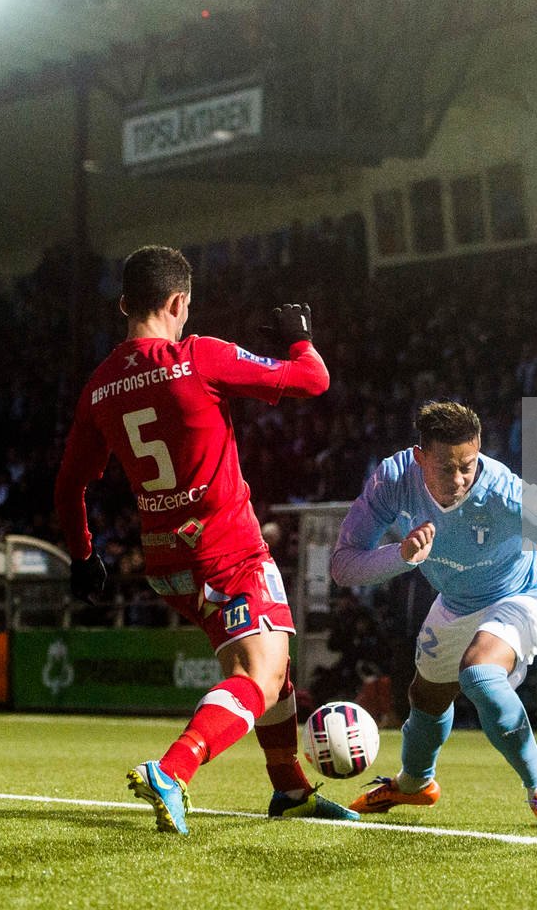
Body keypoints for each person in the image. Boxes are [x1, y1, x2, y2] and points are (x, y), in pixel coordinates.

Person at [53, 244, 357, 834]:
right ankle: (173, 770)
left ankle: (290, 790)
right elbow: (313, 380)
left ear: (123, 304)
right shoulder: (201, 357)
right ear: (178, 302)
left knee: (275, 669)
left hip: (167, 563)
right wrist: (298, 337)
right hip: (228, 553)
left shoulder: (99, 387)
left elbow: (69, 487)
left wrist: (84, 555)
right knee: (259, 675)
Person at [331, 400, 537, 831]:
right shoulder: (392, 480)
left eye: (469, 465)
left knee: (479, 673)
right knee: (426, 696)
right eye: (447, 468)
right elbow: (344, 566)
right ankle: (414, 783)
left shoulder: (508, 494)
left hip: (525, 592)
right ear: (420, 457)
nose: (460, 479)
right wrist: (401, 556)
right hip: (457, 600)